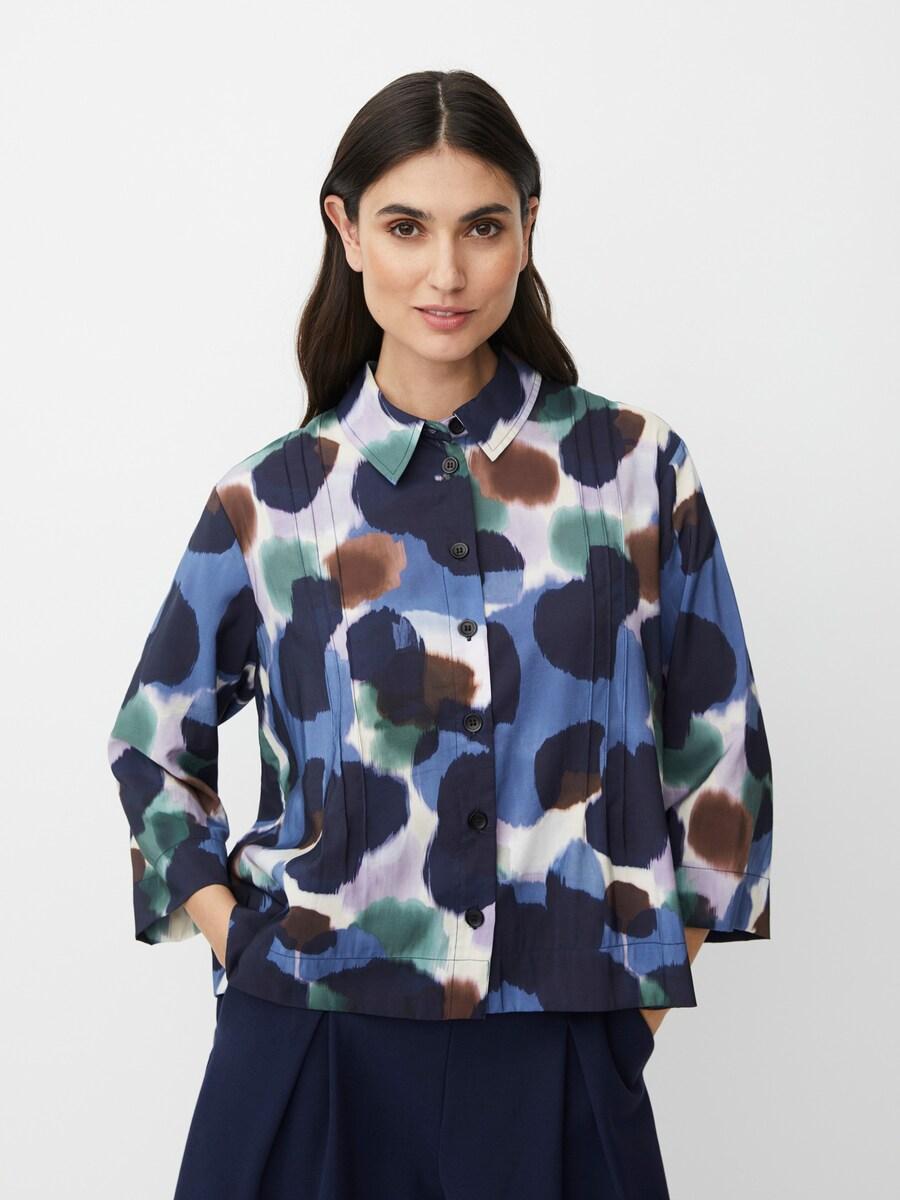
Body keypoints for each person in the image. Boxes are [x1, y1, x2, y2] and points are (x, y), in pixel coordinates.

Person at [107, 68, 772, 1200]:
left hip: (561, 1034)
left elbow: (722, 754)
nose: (447, 273)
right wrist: (238, 940)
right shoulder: (271, 501)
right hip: (311, 1031)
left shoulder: (634, 472)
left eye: (483, 227)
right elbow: (151, 745)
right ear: (347, 230)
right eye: (407, 227)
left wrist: (627, 1013)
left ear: (529, 228)